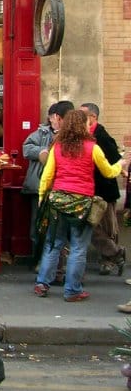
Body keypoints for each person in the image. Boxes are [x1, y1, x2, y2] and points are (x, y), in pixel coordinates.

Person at [34, 110, 129, 302]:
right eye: (86, 123)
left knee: (53, 244)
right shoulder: (92, 148)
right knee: (78, 247)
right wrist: (121, 164)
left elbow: (47, 176)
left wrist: (42, 198)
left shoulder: (57, 147)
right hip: (82, 203)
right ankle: (72, 290)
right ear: (83, 125)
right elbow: (108, 172)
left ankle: (42, 283)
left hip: (57, 201)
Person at [80, 102, 125, 276]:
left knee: (108, 226)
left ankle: (109, 260)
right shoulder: (83, 136)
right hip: (87, 189)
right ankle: (115, 253)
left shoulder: (102, 137)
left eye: (83, 114)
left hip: (104, 190)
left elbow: (115, 162)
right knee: (90, 225)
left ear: (93, 117)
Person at [21, 102, 66, 266]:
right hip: (39, 186)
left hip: (61, 188)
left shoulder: (70, 136)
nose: (52, 120)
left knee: (58, 228)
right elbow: (26, 148)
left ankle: (54, 264)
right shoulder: (42, 132)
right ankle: (38, 259)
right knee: (37, 225)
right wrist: (42, 151)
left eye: (54, 117)